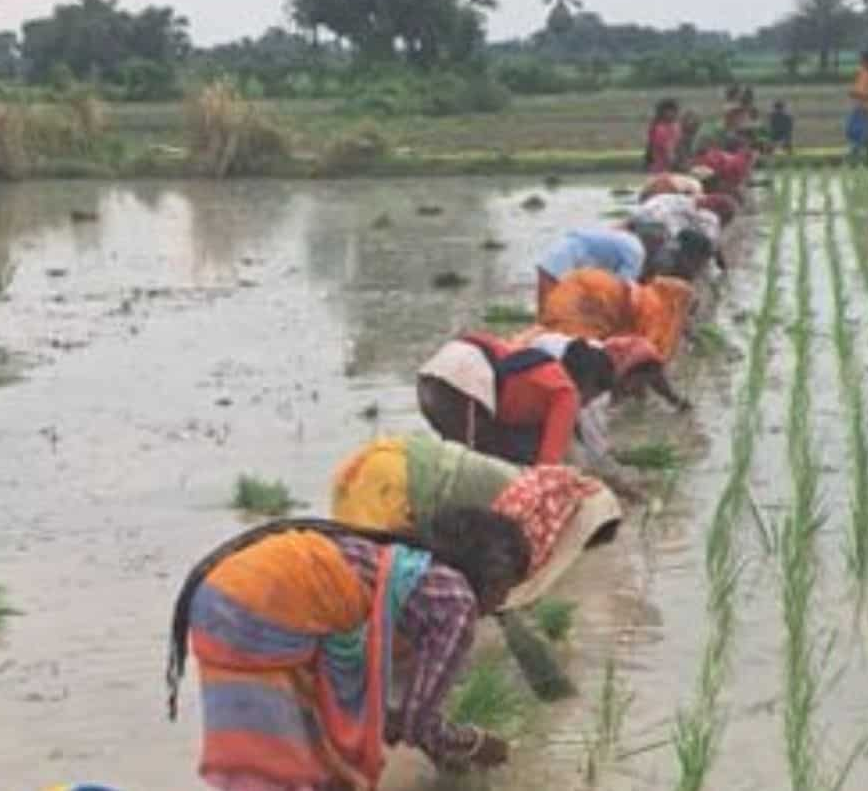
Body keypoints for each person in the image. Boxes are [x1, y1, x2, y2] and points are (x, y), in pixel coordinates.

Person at [165, 507, 531, 791]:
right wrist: (476, 744)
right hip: (264, 604)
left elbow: (402, 714)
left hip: (218, 594)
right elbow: (419, 722)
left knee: (264, 750)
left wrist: (431, 745)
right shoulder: (456, 600)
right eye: (506, 588)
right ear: (493, 575)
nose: (502, 601)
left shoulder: (407, 568)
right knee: (278, 766)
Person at [329, 433, 623, 608]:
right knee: (365, 581)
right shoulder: (529, 521)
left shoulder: (542, 497)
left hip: (390, 463)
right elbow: (485, 576)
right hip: (390, 484)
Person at [417, 332, 616, 466]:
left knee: (458, 462)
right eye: (593, 396)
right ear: (588, 381)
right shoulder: (566, 392)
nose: (588, 404)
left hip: (431, 376)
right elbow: (548, 465)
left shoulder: (541, 367)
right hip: (464, 383)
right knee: (470, 467)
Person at [539, 268, 695, 362]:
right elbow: (649, 357)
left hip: (578, 288)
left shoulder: (650, 293)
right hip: (587, 303)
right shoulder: (656, 315)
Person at [536, 224, 667, 315]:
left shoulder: (628, 241)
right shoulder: (637, 253)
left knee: (553, 309)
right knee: (549, 310)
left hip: (563, 254)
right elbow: (621, 290)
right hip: (563, 260)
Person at [643, 98, 681, 173]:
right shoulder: (659, 128)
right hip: (661, 167)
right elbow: (667, 149)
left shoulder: (676, 126)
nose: (671, 114)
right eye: (668, 111)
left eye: (672, 111)